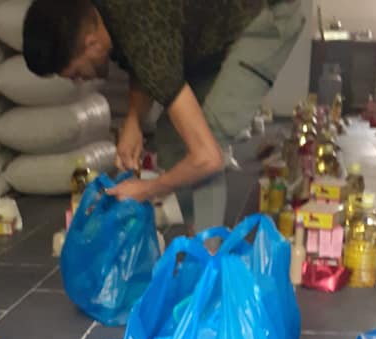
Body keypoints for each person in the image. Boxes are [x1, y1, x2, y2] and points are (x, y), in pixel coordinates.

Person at [22, 0, 304, 229]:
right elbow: (142, 67)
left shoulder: (142, 35)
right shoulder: (107, 16)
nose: (79, 81)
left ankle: (207, 262)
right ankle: (199, 243)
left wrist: (147, 189)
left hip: (266, 15)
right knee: (171, 138)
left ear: (91, 44)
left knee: (209, 138)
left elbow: (208, 158)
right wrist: (133, 120)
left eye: (75, 73)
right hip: (214, 34)